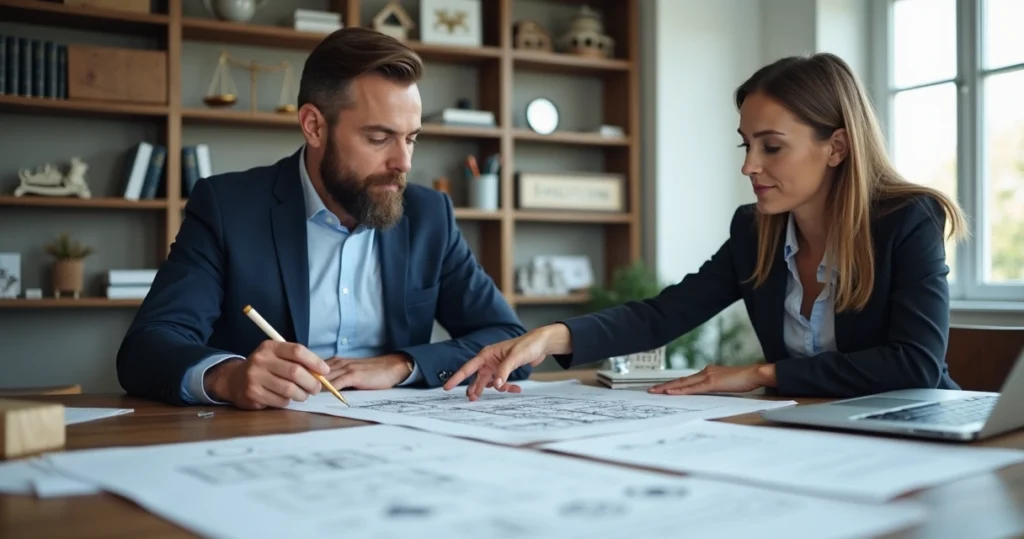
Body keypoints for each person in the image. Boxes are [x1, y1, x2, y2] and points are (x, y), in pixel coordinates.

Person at [444, 52, 968, 401]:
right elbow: (662, 315)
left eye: (772, 146)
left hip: (917, 432)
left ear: (836, 146)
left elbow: (915, 366)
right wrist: (549, 337)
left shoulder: (907, 220)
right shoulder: (755, 231)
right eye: (747, 145)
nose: (749, 166)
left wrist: (762, 374)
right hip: (812, 429)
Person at [116, 27, 531, 409]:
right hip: (261, 443)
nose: (402, 162)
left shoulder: (429, 215)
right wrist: (227, 377)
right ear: (314, 126)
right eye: (379, 137)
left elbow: (510, 342)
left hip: (398, 441)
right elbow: (147, 348)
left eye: (411, 138)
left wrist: (402, 364)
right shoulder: (228, 207)